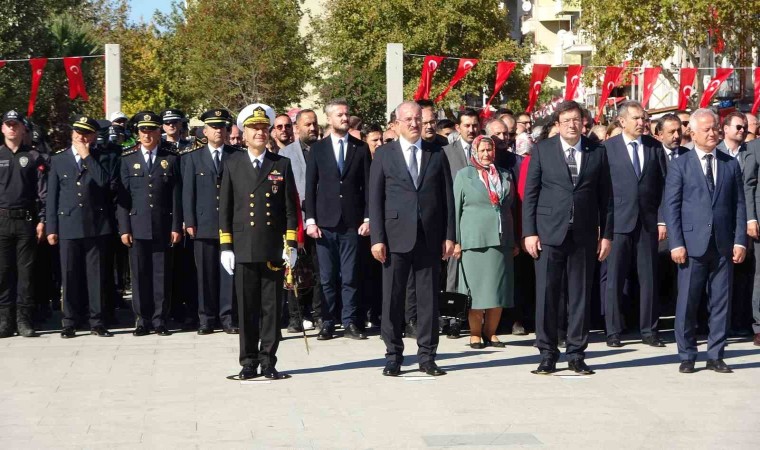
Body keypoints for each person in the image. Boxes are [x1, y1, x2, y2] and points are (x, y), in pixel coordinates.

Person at [522, 101, 612, 375]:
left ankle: (576, 353)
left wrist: (606, 235)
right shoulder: (542, 150)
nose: (572, 125)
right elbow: (531, 195)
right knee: (547, 295)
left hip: (584, 235)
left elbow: (606, 198)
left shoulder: (597, 151)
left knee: (580, 296)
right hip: (549, 233)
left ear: (583, 122)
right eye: (566, 120)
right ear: (558, 124)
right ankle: (547, 353)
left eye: (576, 119)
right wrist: (529, 232)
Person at [369, 101, 455, 377]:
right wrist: (377, 238)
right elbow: (375, 199)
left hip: (429, 237)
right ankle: (393, 355)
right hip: (394, 238)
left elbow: (447, 199)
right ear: (396, 124)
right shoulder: (384, 154)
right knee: (392, 298)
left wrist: (449, 236)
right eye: (408, 119)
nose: (414, 123)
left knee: (428, 299)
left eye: (418, 118)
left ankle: (427, 356)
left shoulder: (437, 153)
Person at [664, 108, 747, 374]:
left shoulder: (729, 163)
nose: (713, 133)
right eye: (707, 129)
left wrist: (740, 240)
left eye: (715, 128)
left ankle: (716, 354)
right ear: (693, 132)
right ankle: (687, 354)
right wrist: (676, 243)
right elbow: (672, 206)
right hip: (691, 244)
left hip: (723, 244)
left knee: (721, 301)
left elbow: (739, 205)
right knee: (688, 301)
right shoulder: (680, 164)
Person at [219, 104, 298, 380]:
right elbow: (225, 210)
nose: (260, 133)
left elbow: (290, 209)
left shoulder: (281, 165)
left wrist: (292, 244)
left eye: (264, 128)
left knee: (272, 309)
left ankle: (269, 361)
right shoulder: (232, 165)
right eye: (254, 129)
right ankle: (248, 362)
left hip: (272, 248)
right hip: (243, 246)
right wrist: (226, 247)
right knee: (247, 308)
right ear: (243, 134)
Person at [305, 99, 371, 341]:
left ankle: (351, 321)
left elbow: (368, 187)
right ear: (329, 120)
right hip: (325, 223)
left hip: (352, 223)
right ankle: (328, 321)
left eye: (346, 114)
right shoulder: (318, 149)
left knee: (351, 275)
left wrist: (368, 217)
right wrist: (310, 220)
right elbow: (310, 187)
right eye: (339, 115)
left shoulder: (360, 148)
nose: (344, 118)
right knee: (327, 277)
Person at [603, 101, 665, 348]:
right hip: (618, 222)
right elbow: (602, 190)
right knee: (615, 278)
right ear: (622, 121)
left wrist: (662, 219)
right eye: (637, 118)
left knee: (649, 277)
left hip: (647, 222)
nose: (642, 123)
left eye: (644, 118)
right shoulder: (607, 149)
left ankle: (649, 330)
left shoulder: (654, 147)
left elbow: (664, 185)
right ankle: (613, 331)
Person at [46, 116, 114, 338]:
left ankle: (97, 321)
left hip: (96, 224)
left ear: (93, 136)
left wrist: (87, 157)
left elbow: (104, 182)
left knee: (96, 276)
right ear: (72, 133)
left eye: (86, 133)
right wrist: (51, 228)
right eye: (77, 132)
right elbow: (52, 197)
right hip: (68, 224)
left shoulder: (102, 157)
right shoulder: (58, 160)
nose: (80, 137)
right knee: (70, 274)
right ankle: (69, 321)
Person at [117, 112, 182, 336]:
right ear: (138, 133)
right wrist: (124, 228)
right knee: (139, 275)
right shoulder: (127, 159)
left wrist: (176, 226)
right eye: (143, 130)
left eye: (151, 130)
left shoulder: (171, 158)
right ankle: (142, 319)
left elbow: (176, 196)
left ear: (158, 132)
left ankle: (160, 320)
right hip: (137, 226)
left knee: (161, 275)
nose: (147, 134)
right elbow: (123, 199)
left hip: (163, 226)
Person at [452, 136, 517, 348]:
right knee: (477, 291)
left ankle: (491, 332)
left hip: (500, 239)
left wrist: (514, 238)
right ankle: (475, 334)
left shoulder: (505, 175)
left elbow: (512, 209)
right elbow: (455, 210)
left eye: (490, 149)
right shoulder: (464, 175)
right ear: (475, 151)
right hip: (474, 241)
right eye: (482, 150)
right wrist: (456, 241)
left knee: (497, 289)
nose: (486, 153)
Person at [181, 109, 240, 335]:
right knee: (204, 275)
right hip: (203, 224)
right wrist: (189, 221)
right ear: (204, 131)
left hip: (229, 225)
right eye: (213, 127)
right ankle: (206, 318)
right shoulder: (193, 157)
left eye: (222, 127)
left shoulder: (236, 155)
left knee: (228, 273)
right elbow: (188, 192)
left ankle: (227, 317)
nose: (218, 131)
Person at [0, 110, 47, 338]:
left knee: (25, 274)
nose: (12, 128)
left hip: (26, 221)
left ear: (22, 129)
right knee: (3, 272)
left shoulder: (34, 156)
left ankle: (24, 320)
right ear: (2, 129)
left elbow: (42, 193)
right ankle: (4, 321)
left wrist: (42, 220)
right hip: (1, 220)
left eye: (15, 125)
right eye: (8, 125)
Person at [279, 109, 324, 333]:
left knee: (318, 269)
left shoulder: (325, 150)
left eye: (314, 123)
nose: (312, 128)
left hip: (320, 221)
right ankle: (295, 316)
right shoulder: (285, 154)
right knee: (293, 270)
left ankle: (318, 313)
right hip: (296, 220)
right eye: (307, 124)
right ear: (297, 128)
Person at [443, 109, 480, 296]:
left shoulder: (486, 150)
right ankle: (452, 317)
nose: (471, 129)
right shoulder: (446, 153)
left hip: (478, 221)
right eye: (467, 125)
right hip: (455, 218)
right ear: (458, 128)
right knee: (454, 267)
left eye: (475, 125)